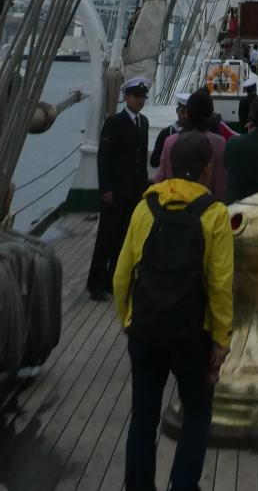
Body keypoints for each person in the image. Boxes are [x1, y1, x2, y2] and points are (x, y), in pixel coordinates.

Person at [113, 132, 234, 491]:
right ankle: (183, 485)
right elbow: (220, 284)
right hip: (192, 334)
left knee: (144, 416)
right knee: (196, 413)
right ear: (208, 168)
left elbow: (122, 274)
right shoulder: (214, 214)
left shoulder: (144, 207)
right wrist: (221, 340)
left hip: (146, 328)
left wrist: (128, 319)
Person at [88, 76, 151, 301]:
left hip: (133, 191)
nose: (140, 101)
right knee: (106, 236)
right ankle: (95, 282)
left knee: (124, 237)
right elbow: (104, 158)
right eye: (136, 97)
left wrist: (144, 189)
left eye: (142, 97)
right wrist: (105, 189)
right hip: (114, 190)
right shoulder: (114, 123)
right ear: (127, 97)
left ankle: (111, 279)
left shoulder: (143, 123)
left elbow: (141, 158)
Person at [156, 91, 228, 200]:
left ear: (188, 113)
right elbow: (220, 184)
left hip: (172, 205)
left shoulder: (170, 141)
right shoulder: (219, 143)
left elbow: (161, 178)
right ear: (210, 115)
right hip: (206, 208)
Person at [151, 93, 188, 170]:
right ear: (177, 111)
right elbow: (154, 162)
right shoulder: (165, 133)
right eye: (183, 111)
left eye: (189, 112)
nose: (185, 116)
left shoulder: (196, 134)